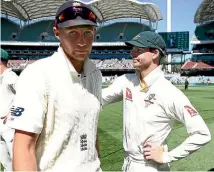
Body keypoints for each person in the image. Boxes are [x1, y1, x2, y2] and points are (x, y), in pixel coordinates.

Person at [7, 1, 102, 171]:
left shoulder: (96, 73)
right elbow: (23, 147)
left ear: (95, 33)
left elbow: (91, 130)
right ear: (57, 32)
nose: (81, 41)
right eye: (72, 32)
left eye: (87, 32)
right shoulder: (38, 74)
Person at [102, 31, 211, 172]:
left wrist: (167, 156)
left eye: (138, 50)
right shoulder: (127, 81)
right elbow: (97, 97)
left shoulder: (168, 92)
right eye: (132, 49)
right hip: (127, 164)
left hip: (150, 167)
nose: (132, 53)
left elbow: (202, 134)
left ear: (154, 54)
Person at [0, 48, 18, 171]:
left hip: (9, 125)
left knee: (16, 159)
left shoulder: (10, 76)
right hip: (1, 126)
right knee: (4, 161)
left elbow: (26, 95)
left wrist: (12, 112)